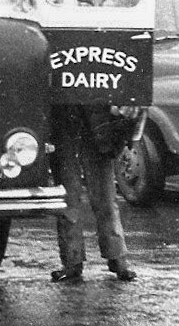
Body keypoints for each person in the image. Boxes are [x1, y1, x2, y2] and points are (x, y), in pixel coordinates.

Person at [49, 104, 140, 282]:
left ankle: (109, 259)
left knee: (101, 196)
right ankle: (80, 261)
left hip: (93, 124)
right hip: (76, 122)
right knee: (74, 197)